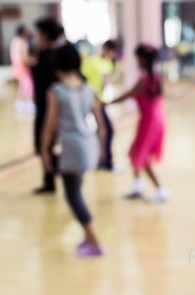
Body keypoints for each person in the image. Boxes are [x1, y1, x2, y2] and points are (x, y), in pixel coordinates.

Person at [41, 45, 105, 256]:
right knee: (78, 190)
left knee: (73, 196)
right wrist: (102, 148)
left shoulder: (56, 91)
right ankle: (88, 239)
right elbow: (101, 124)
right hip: (88, 144)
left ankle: (95, 241)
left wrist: (44, 151)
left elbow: (49, 126)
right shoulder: (88, 89)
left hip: (70, 146)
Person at [109, 44, 169, 203]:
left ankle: (161, 189)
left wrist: (106, 103)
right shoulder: (155, 78)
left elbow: (127, 95)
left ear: (143, 59)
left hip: (150, 122)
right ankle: (138, 185)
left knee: (143, 156)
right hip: (154, 120)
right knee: (136, 152)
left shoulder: (145, 80)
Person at [31, 18, 63, 194]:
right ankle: (49, 178)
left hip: (47, 107)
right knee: (47, 143)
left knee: (44, 143)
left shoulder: (48, 56)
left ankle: (56, 170)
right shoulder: (49, 54)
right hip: (46, 105)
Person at [81, 40, 118, 171]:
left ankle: (103, 159)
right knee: (104, 129)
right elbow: (83, 79)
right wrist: (92, 94)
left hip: (102, 100)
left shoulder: (108, 64)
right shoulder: (91, 62)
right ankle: (102, 159)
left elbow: (105, 82)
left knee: (106, 129)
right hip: (93, 100)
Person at [10, 24, 35, 114]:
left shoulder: (14, 41)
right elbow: (24, 57)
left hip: (16, 65)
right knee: (28, 85)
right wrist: (30, 63)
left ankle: (20, 104)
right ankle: (26, 104)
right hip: (22, 65)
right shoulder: (22, 42)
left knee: (22, 85)